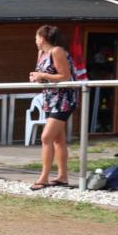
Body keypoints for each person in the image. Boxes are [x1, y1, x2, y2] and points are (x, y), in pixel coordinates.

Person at [29, 25, 78, 190]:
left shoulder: (57, 51)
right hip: (49, 98)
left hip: (63, 98)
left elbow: (64, 76)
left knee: (46, 137)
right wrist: (37, 77)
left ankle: (43, 177)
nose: (35, 41)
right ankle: (62, 176)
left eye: (36, 37)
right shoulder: (41, 54)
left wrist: (42, 75)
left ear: (42, 38)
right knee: (58, 139)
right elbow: (45, 75)